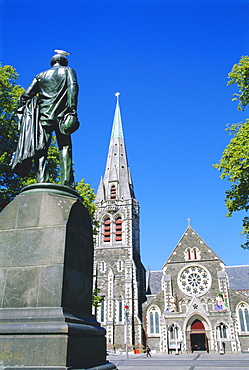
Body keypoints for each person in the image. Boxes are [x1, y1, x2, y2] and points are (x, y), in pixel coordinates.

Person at [12, 51, 79, 188]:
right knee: (65, 147)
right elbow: (73, 87)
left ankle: (42, 179)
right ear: (63, 61)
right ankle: (67, 181)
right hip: (62, 116)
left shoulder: (40, 76)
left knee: (41, 148)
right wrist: (72, 110)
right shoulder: (68, 71)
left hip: (43, 116)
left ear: (52, 62)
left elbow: (26, 95)